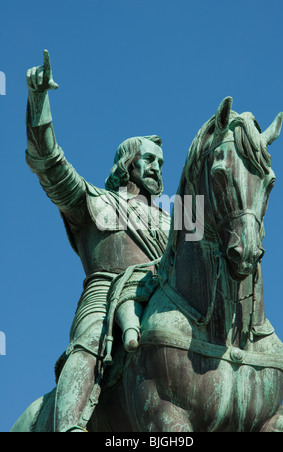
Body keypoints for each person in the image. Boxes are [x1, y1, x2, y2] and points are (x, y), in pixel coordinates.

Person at [26, 50, 170, 432]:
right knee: (87, 344)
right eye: (149, 160)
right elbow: (49, 163)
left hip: (160, 298)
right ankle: (69, 426)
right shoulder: (93, 201)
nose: (157, 168)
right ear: (128, 164)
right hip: (105, 296)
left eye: (161, 163)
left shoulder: (175, 222)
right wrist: (38, 101)